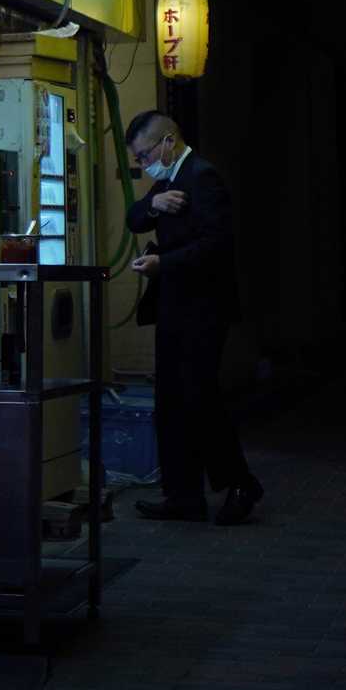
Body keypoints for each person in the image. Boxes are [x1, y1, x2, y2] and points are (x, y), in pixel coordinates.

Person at [125, 110, 263, 525]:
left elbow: (215, 245)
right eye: (138, 159)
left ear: (168, 141)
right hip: (173, 305)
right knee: (170, 399)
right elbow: (134, 219)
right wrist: (154, 202)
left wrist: (162, 264)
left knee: (199, 395)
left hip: (203, 307)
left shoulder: (201, 176)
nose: (143, 163)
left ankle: (240, 483)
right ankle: (182, 495)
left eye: (145, 154)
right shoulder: (166, 181)